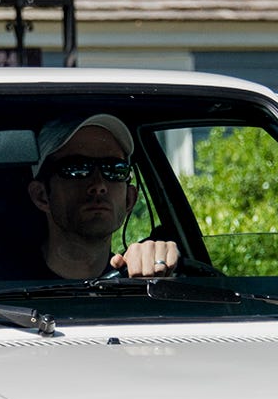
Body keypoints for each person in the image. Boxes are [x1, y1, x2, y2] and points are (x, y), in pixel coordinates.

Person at [26, 114, 180, 279]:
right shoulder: (1, 290)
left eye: (114, 169)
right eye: (77, 168)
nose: (99, 185)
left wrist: (158, 265)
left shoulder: (139, 283)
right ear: (41, 196)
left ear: (130, 199)